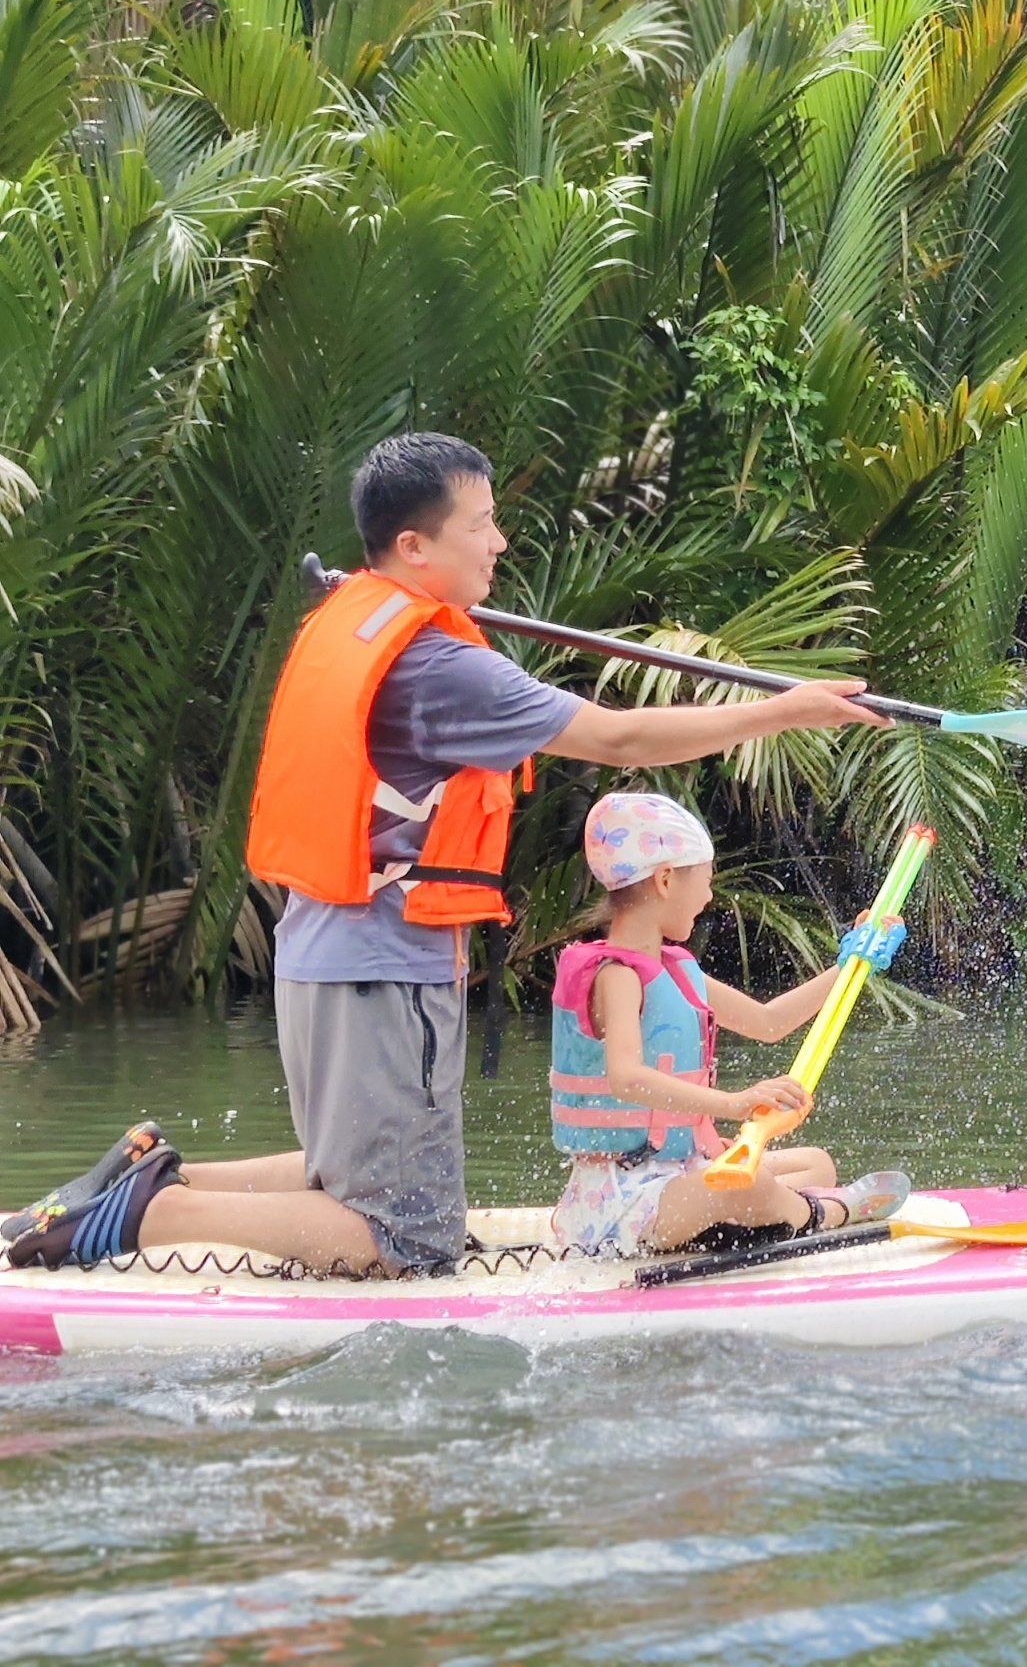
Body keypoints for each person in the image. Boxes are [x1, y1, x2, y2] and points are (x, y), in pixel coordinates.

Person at [4, 432, 885, 1274]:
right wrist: (784, 708)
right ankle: (156, 1213)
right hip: (385, 966)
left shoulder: (359, 619)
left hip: (322, 954)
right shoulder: (438, 666)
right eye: (481, 524)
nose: (499, 541)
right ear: (413, 546)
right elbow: (621, 739)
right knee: (406, 1241)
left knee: (344, 1178)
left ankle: (151, 1176)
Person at [551, 791, 909, 1255]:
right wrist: (736, 1104)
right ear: (664, 881)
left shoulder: (676, 969)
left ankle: (787, 1208)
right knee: (749, 1184)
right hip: (623, 1200)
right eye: (704, 880)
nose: (707, 896)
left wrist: (853, 962)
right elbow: (626, 1078)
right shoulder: (617, 975)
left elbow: (769, 1021)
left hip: (679, 1172)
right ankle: (830, 1213)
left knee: (816, 1163)